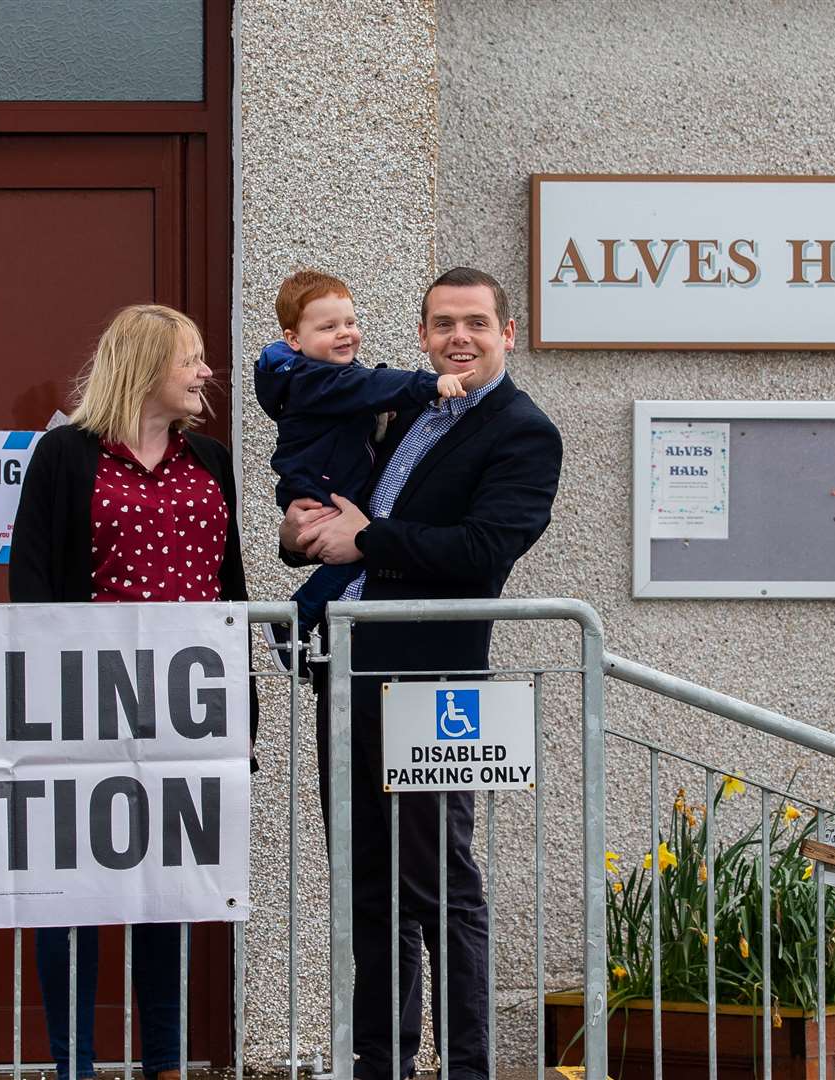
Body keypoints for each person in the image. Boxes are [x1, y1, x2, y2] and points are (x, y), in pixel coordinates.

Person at [282, 267, 562, 1080]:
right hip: (349, 676)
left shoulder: (522, 430)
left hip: (434, 688)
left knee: (443, 886)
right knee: (367, 883)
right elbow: (338, 503)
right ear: (422, 334)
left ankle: (466, 1065)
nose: (459, 338)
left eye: (476, 322)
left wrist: (365, 541)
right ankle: (383, 1062)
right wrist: (302, 528)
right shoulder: (406, 405)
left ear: (508, 334)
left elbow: (483, 552)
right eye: (443, 324)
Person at [10, 303, 251, 1080]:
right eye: (191, 359)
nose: (205, 373)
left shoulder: (210, 461)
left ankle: (166, 1063)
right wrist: (45, 697)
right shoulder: (66, 457)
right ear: (146, 367)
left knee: (168, 888)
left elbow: (231, 588)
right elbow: (33, 584)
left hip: (188, 710)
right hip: (85, 704)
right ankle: (73, 1066)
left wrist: (239, 708)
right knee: (73, 892)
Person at [253, 270, 466, 661]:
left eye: (350, 322)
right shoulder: (311, 379)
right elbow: (368, 387)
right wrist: (431, 383)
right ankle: (294, 619)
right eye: (328, 326)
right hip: (321, 487)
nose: (344, 333)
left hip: (331, 482)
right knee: (362, 552)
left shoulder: (332, 375)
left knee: (361, 551)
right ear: (294, 340)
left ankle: (297, 622)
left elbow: (367, 389)